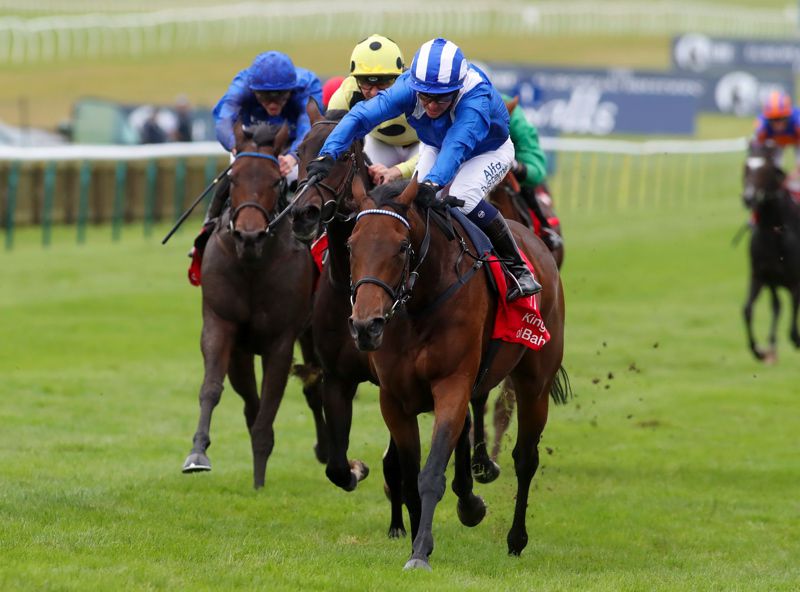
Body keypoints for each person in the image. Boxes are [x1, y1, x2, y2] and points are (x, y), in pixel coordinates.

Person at [307, 38, 540, 300]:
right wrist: (329, 152)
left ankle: (518, 267)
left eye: (440, 99)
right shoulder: (408, 87)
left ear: (457, 89)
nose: (430, 105)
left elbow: (457, 146)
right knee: (414, 205)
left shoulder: (475, 99)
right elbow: (361, 115)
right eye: (425, 96)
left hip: (488, 151)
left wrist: (432, 184)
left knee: (463, 198)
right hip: (435, 145)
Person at [187, 51, 323, 285]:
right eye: (265, 96)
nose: (273, 103)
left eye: (280, 97)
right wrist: (234, 147)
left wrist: (292, 157)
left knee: (305, 183)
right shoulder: (242, 84)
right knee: (234, 175)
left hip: (292, 145)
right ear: (253, 89)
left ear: (291, 89)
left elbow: (308, 127)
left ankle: (317, 239)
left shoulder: (307, 85)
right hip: (251, 144)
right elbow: (223, 120)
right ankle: (207, 229)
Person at [327, 34, 420, 186]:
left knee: (429, 191)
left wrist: (398, 171)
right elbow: (332, 137)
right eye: (365, 82)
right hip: (380, 143)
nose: (374, 93)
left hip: (421, 144)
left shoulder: (416, 92)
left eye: (383, 82)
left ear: (399, 76)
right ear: (355, 79)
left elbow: (438, 148)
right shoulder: (346, 95)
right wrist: (366, 165)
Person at [504, 95, 562, 251]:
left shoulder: (513, 117)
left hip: (505, 165)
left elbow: (536, 171)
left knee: (523, 183)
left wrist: (517, 167)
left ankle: (544, 227)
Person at [752, 90, 800, 171]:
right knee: (773, 166)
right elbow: (757, 145)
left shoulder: (797, 120)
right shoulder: (762, 125)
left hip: (797, 140)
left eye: (782, 119)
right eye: (773, 120)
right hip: (775, 143)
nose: (778, 123)